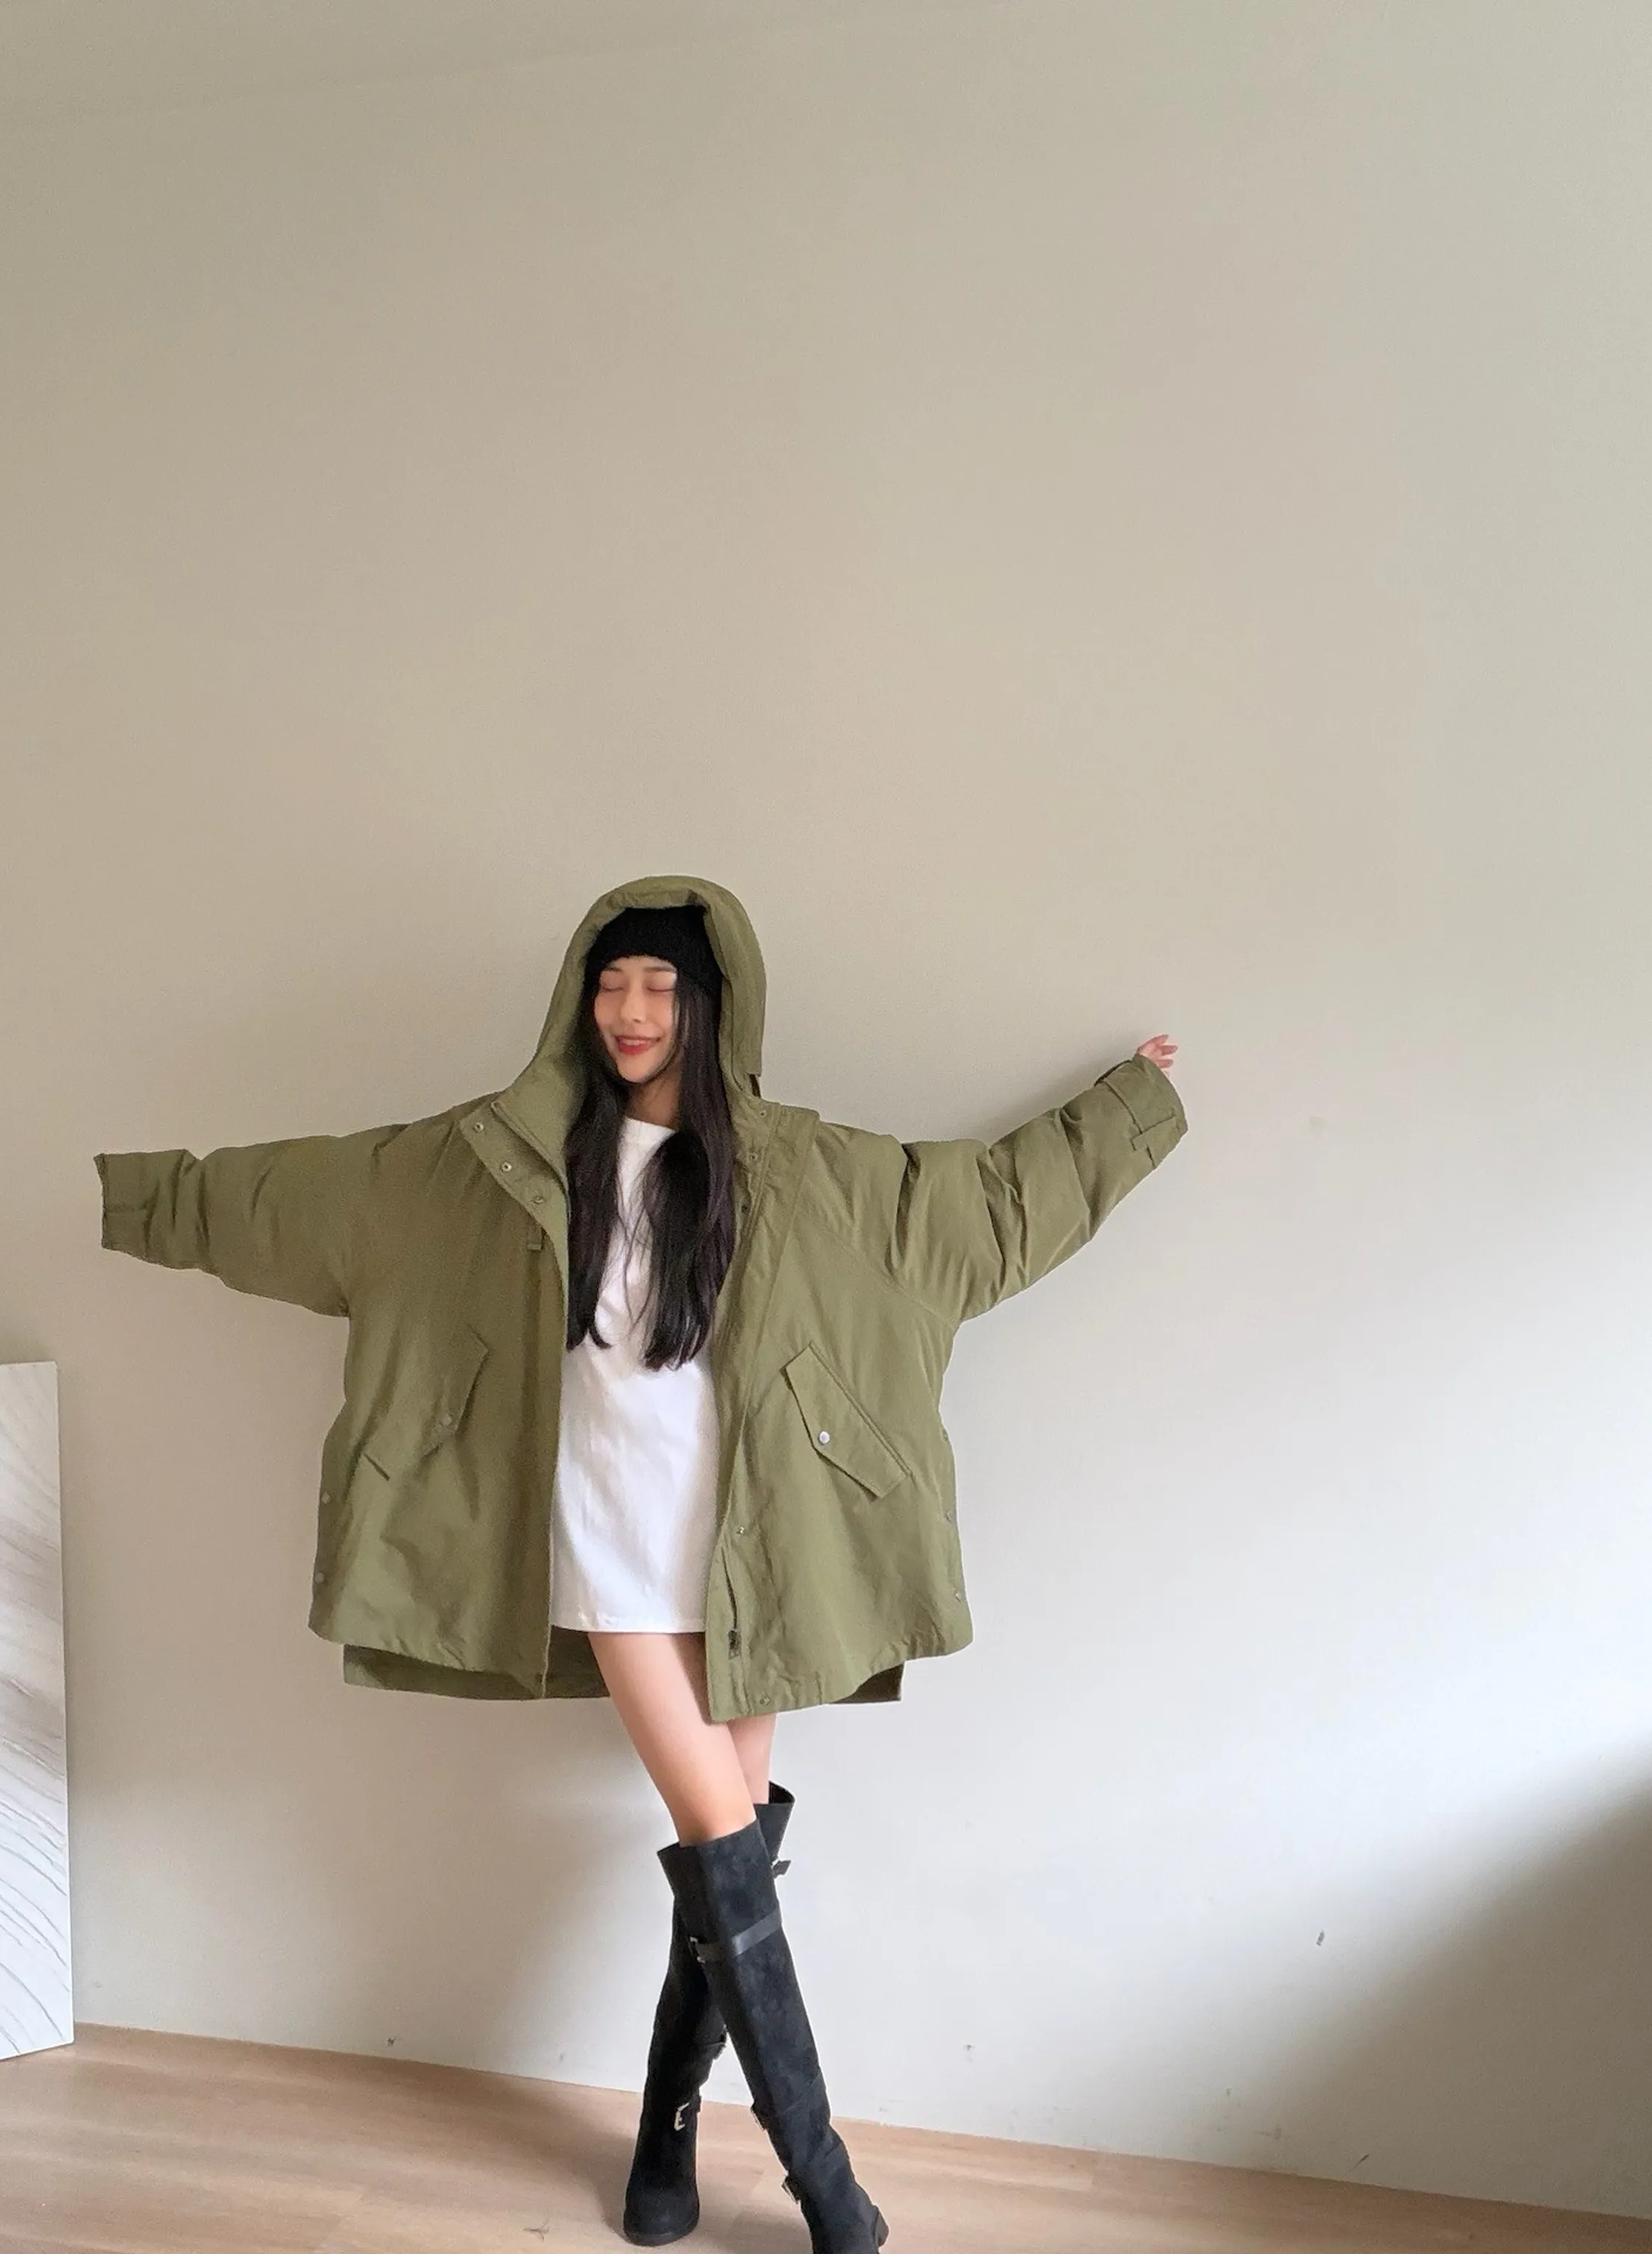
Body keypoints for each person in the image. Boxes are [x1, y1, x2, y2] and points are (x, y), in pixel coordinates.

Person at [92, 875, 1187, 2254]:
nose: (630, 1010)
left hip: (750, 1551)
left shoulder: (800, 1167)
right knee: (724, 1842)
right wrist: (133, 1195)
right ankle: (824, 2183)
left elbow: (975, 1209)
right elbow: (298, 1199)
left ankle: (664, 2147)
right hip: (602, 1538)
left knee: (729, 1853)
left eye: (660, 985)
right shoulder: (493, 1161)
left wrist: (1122, 1113)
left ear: (711, 1005)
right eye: (610, 982)